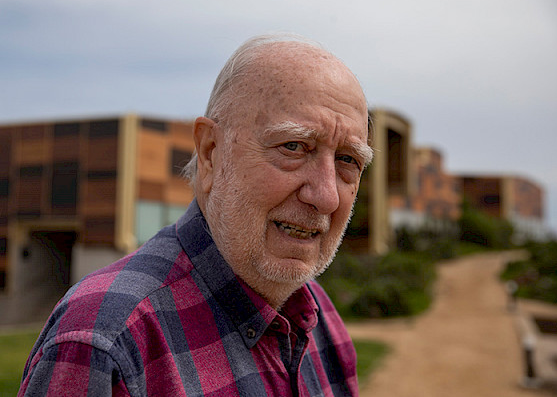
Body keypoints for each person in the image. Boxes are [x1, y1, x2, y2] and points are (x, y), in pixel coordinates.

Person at [19, 33, 373, 396]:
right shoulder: (102, 344)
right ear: (209, 152)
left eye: (348, 160)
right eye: (294, 146)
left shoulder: (320, 317)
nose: (327, 196)